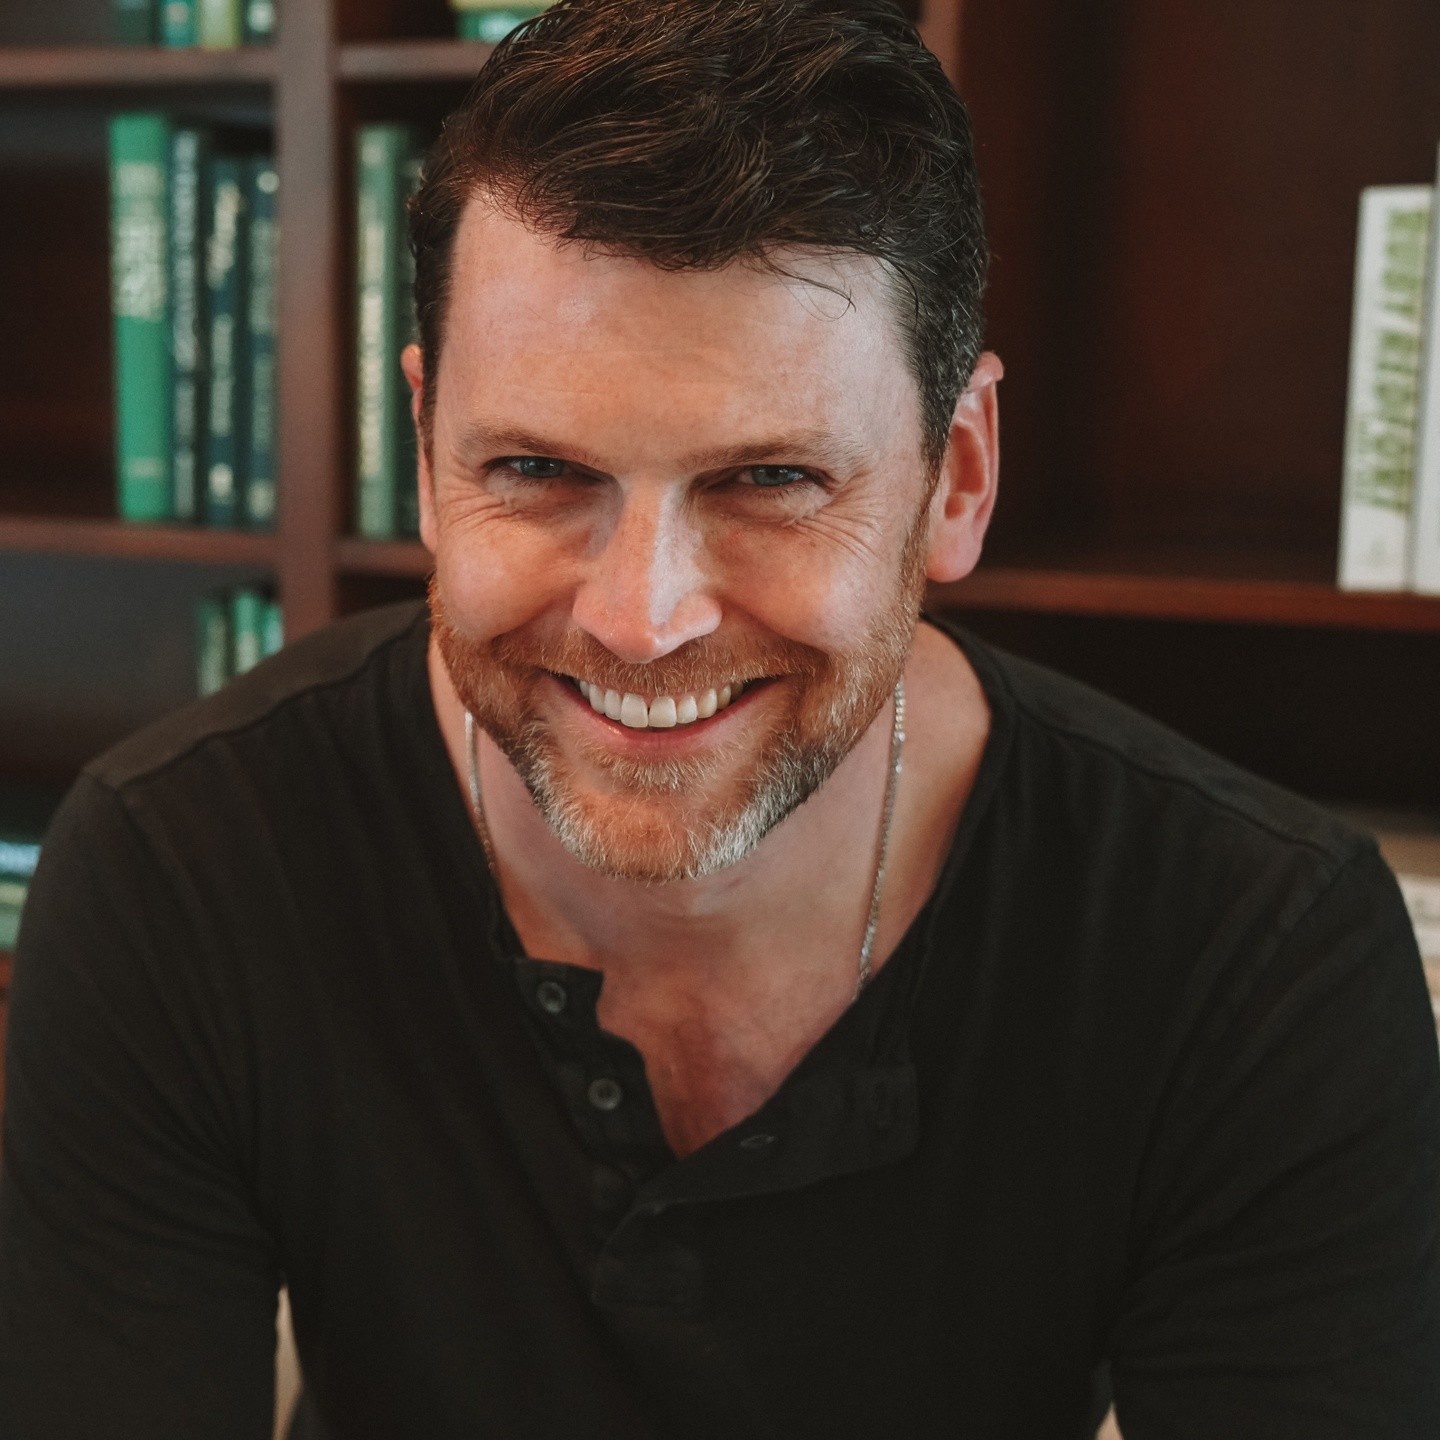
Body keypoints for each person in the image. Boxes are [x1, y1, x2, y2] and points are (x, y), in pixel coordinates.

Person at [2, 1, 1438, 1435]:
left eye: (769, 481)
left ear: (957, 477)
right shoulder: (180, 865)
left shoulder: (1255, 951)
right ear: (427, 456)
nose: (643, 619)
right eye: (538, 469)